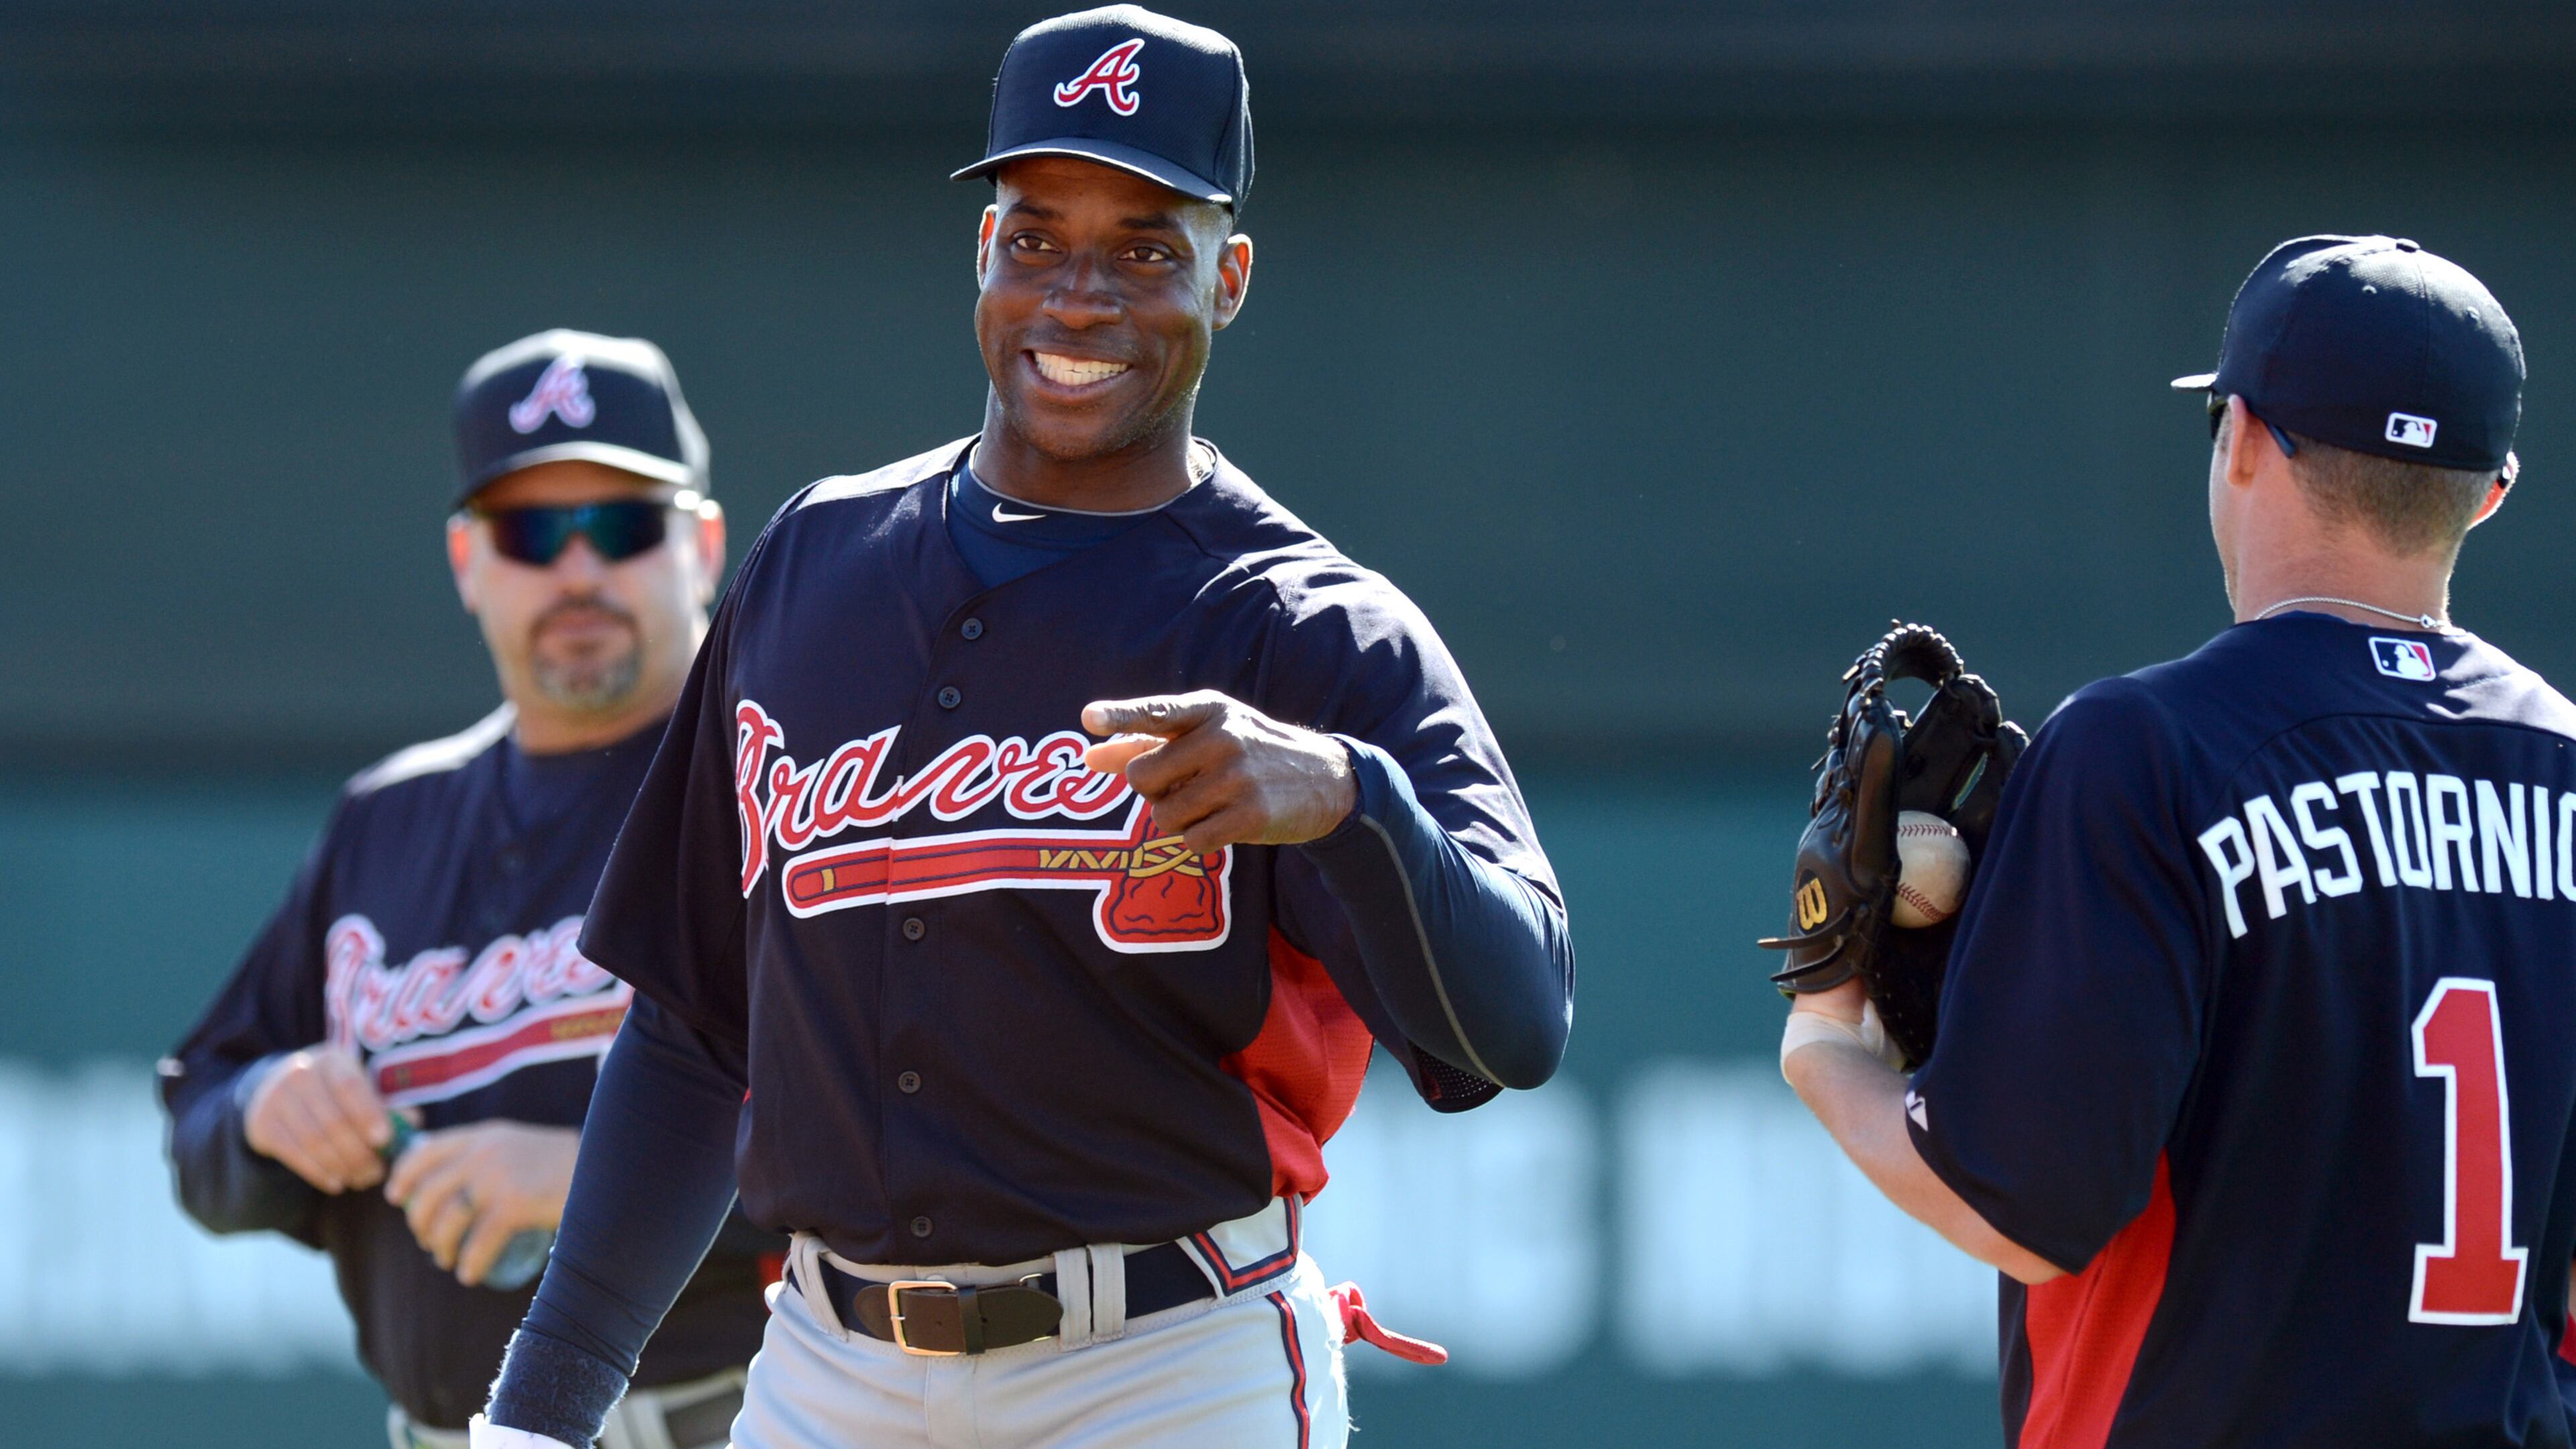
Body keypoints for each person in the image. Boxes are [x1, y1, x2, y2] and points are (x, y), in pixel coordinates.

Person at [468, 9, 1576, 1449]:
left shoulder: (1306, 627)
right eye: (1036, 237)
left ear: (1228, 279)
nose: (1080, 298)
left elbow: (1517, 1025)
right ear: (979, 258)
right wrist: (538, 1413)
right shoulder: (813, 564)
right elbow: (693, 1024)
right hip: (826, 1366)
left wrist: (1353, 802)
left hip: (1166, 1366)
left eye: (1144, 248)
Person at [1779, 233, 2576, 1446]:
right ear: (2493, 487)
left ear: (2244, 436)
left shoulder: (2145, 750)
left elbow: (2018, 1213)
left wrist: (1830, 1042)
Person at [160, 331, 773, 1449]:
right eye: (533, 532)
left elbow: (912, 1135)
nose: (578, 569)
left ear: (703, 544)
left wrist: (603, 1182)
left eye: (622, 526)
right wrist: (263, 1110)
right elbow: (200, 1129)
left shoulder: (777, 783)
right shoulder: (389, 821)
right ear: (467, 562)